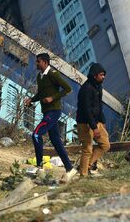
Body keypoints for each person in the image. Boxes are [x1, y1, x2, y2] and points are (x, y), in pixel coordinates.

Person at [23, 53, 78, 183]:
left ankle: (40, 167)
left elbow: (68, 89)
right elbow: (41, 94)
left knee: (36, 134)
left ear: (46, 63)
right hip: (46, 112)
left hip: (53, 111)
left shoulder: (53, 74)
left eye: (38, 62)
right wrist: (32, 100)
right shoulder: (40, 76)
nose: (36, 64)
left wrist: (53, 98)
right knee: (56, 142)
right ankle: (70, 169)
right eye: (36, 61)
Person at [76, 63, 111, 176]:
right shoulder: (86, 89)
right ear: (94, 75)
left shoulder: (98, 86)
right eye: (101, 75)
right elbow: (87, 110)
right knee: (87, 149)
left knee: (105, 145)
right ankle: (83, 174)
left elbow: (99, 105)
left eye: (104, 75)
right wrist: (94, 127)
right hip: (85, 123)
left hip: (96, 122)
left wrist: (102, 122)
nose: (103, 77)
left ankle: (89, 165)